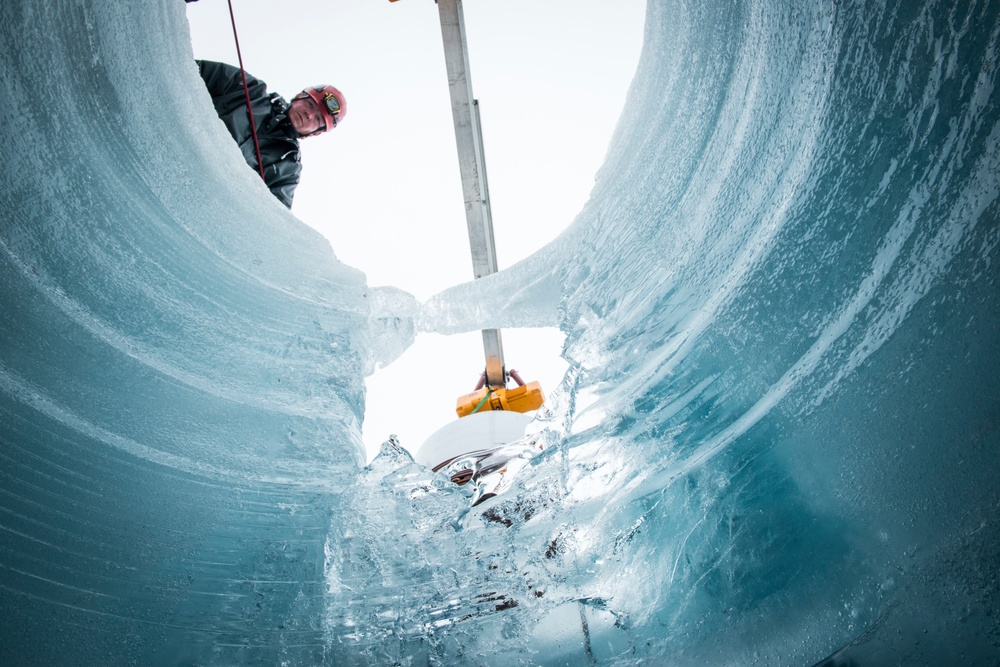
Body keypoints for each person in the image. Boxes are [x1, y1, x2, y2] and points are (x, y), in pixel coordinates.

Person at [196, 60, 346, 208]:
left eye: (318, 118)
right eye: (310, 104)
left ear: (316, 133)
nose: (309, 114)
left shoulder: (288, 170)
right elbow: (188, 70)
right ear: (299, 96)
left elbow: (273, 215)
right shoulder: (249, 90)